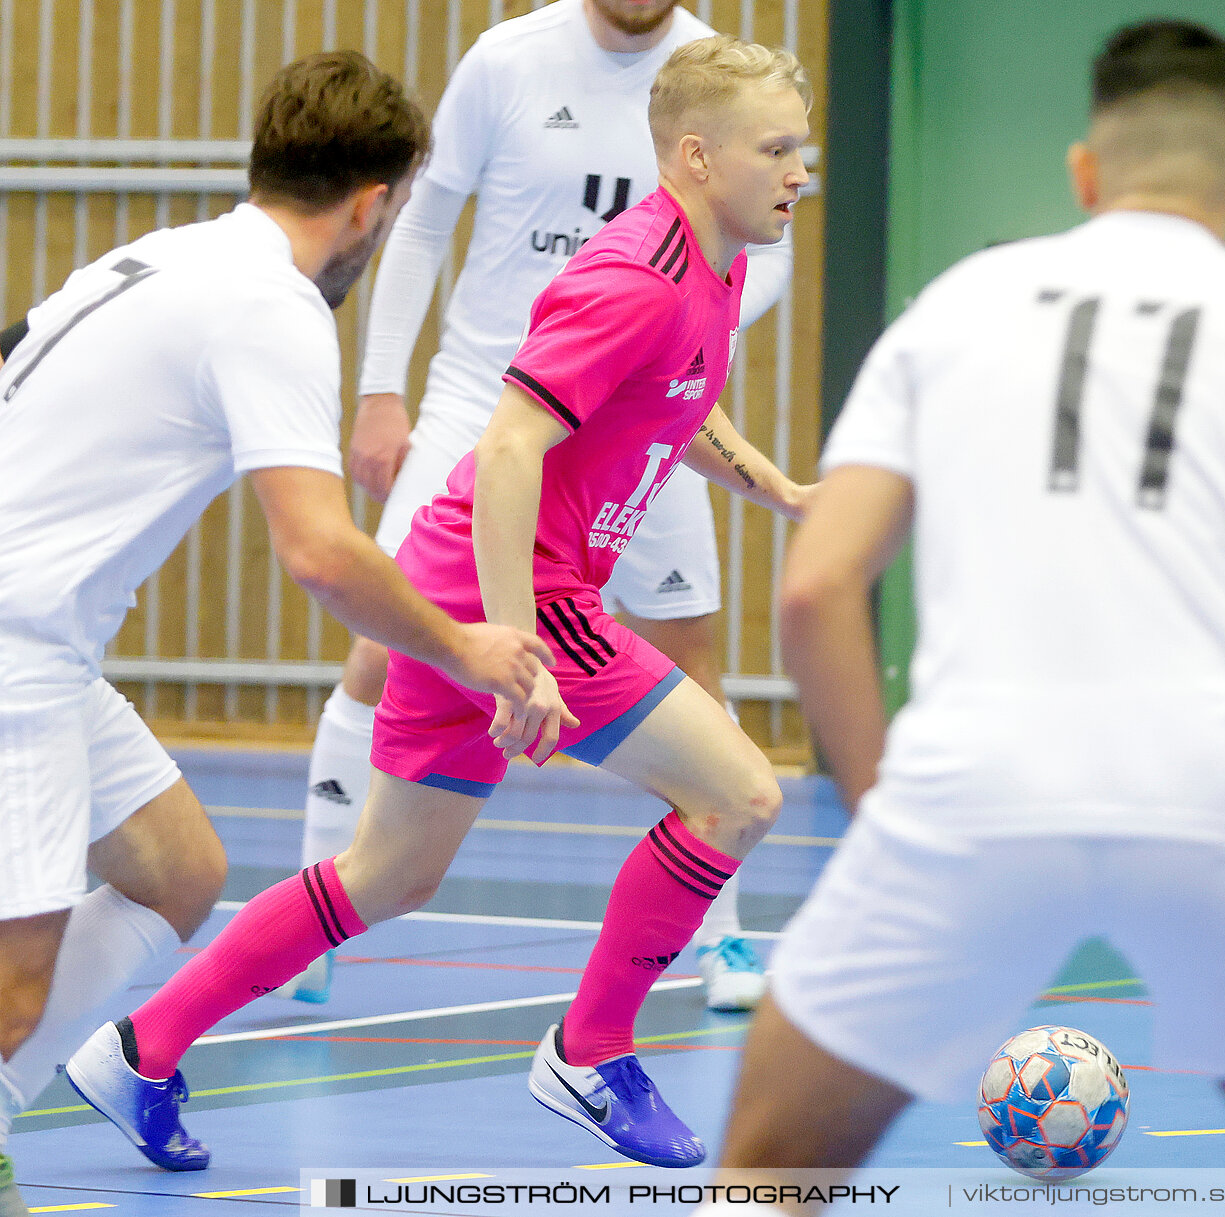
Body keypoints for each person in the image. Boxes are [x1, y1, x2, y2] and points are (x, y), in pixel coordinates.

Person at [696, 20, 1225, 1217]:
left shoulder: (955, 308)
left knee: (771, 1173)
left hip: (975, 788)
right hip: (1217, 792)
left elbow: (817, 587)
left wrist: (886, 812)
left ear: (1085, 174)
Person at [69, 34, 812, 1175]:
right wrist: (512, 641)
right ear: (701, 158)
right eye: (778, 149)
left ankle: (141, 1049)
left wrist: (780, 491)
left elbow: (678, 401)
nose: (798, 170)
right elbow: (513, 440)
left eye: (801, 149)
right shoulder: (638, 272)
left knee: (389, 875)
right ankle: (590, 1047)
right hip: (513, 586)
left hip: (465, 577)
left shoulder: (710, 268)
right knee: (740, 795)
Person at [0, 52, 553, 1214]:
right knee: (17, 979)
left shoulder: (173, 254)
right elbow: (318, 550)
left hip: (45, 643)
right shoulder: (272, 308)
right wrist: (468, 646)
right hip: (15, 652)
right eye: (397, 213)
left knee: (179, 869)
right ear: (372, 203)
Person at [286, 0, 788, 1011]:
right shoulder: (507, 59)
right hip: (492, 394)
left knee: (691, 653)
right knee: (384, 646)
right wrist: (383, 386)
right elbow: (424, 217)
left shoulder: (719, 71)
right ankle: (316, 910)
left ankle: (722, 937)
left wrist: (676, 338)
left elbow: (765, 249)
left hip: (646, 394)